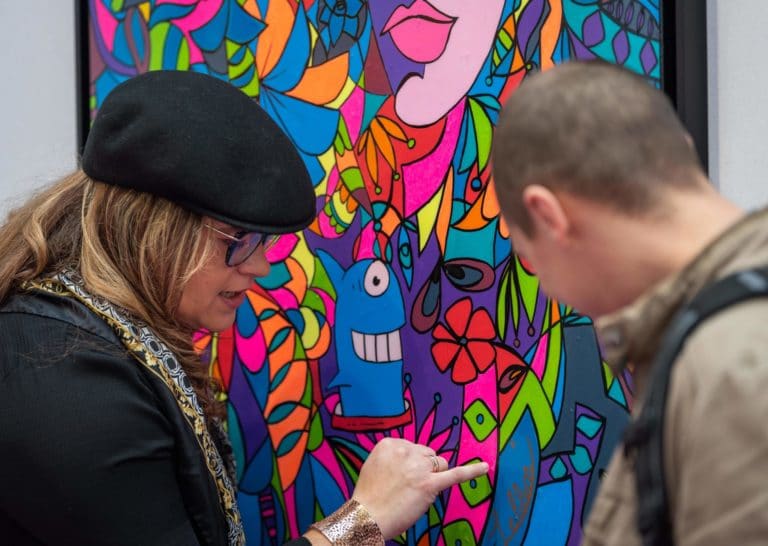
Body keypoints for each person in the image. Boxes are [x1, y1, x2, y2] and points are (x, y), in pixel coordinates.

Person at [0, 70, 488, 545]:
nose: (260, 266)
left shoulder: (80, 336)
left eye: (262, 241)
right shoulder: (65, 379)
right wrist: (363, 522)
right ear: (156, 233)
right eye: (237, 240)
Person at [491, 60, 768, 545]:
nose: (547, 289)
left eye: (528, 256)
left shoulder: (732, 368)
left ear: (549, 217)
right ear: (682, 152)